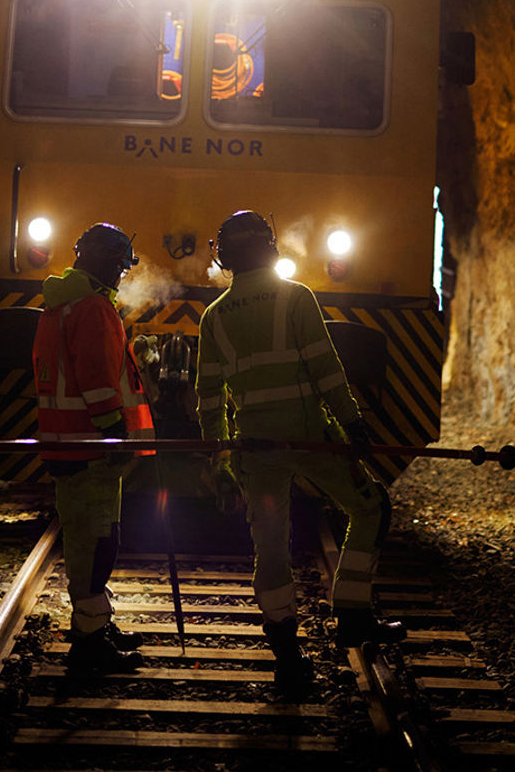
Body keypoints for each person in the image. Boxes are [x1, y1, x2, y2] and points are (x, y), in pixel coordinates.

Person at [194, 210, 405, 692]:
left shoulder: (214, 317)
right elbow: (326, 370)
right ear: (270, 248)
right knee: (369, 506)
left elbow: (208, 398)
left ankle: (287, 656)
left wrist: (219, 458)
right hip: (312, 440)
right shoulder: (296, 297)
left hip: (256, 449)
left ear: (224, 258)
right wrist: (352, 422)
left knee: (270, 546)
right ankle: (352, 614)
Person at [32, 223, 156, 675]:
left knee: (91, 538)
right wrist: (114, 435)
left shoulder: (58, 305)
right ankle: (88, 642)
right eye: (121, 266)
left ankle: (97, 626)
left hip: (66, 443)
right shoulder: (94, 308)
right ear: (107, 262)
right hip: (92, 448)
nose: (122, 276)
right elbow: (98, 377)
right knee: (98, 543)